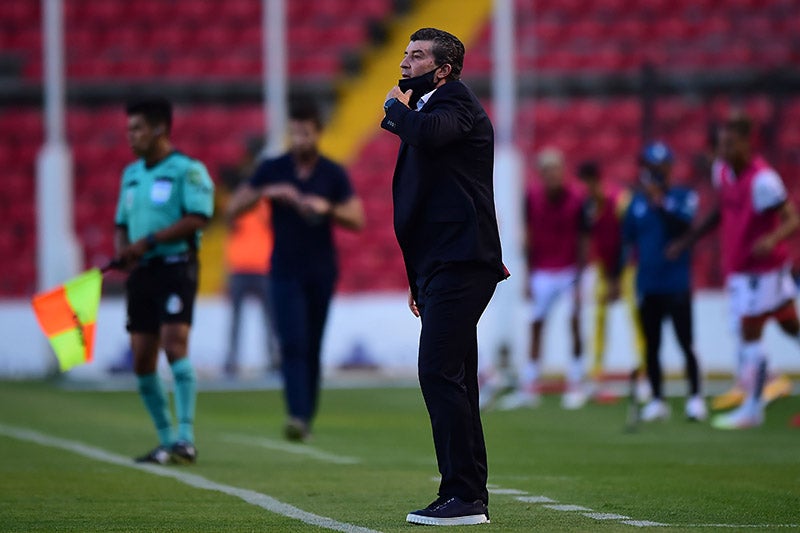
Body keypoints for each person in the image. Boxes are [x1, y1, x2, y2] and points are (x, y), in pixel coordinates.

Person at [382, 27, 507, 526]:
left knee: (437, 371)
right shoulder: (431, 106)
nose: (405, 63)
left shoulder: (455, 103)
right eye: (405, 53)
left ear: (444, 69)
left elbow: (429, 135)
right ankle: (467, 494)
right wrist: (418, 277)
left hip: (463, 262)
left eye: (417, 56)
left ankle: (463, 494)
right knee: (455, 378)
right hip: (440, 266)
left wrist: (395, 109)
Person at [227, 100, 364, 441]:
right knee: (292, 341)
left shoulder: (332, 172)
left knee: (313, 344)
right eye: (294, 133)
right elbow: (234, 205)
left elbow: (358, 218)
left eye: (305, 133)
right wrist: (267, 191)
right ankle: (297, 416)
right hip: (283, 269)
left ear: (317, 133)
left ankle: (305, 415)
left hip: (321, 269)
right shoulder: (273, 168)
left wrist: (327, 207)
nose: (299, 139)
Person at [668, 115, 800, 429]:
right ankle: (761, 392)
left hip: (762, 272)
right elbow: (721, 209)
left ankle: (753, 408)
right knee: (789, 328)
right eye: (721, 144)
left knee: (748, 336)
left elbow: (792, 219)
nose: (723, 150)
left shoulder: (764, 181)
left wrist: (772, 238)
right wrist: (690, 239)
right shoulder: (723, 171)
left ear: (746, 142)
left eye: (729, 143)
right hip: (743, 269)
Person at [114, 97, 214, 464]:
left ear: (159, 129)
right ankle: (165, 439)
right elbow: (121, 224)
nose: (131, 137)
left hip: (176, 266)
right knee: (142, 359)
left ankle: (185, 438)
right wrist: (124, 251)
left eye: (137, 129)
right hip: (142, 273)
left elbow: (199, 217)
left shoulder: (187, 171)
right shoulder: (131, 174)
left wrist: (150, 242)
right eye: (128, 130)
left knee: (174, 345)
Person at [620, 142, 706, 422]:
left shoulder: (682, 196)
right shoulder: (636, 202)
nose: (654, 172)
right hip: (648, 283)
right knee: (652, 345)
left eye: (659, 167)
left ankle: (695, 397)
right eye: (650, 167)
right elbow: (627, 238)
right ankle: (658, 399)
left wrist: (661, 202)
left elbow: (686, 228)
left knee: (685, 342)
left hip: (676, 282)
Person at [500, 148, 588, 411]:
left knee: (574, 322)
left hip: (570, 269)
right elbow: (528, 236)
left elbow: (584, 238)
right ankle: (530, 385)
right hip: (543, 270)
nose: (553, 176)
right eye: (547, 171)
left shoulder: (577, 199)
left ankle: (576, 382)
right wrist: (528, 274)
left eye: (556, 170)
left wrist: (581, 274)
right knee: (536, 324)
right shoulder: (532, 197)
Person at [577, 161, 647, 399]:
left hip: (626, 266)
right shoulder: (588, 206)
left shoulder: (620, 200)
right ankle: (596, 371)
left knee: (635, 315)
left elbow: (627, 240)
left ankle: (644, 370)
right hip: (603, 267)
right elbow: (594, 238)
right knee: (598, 316)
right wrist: (606, 273)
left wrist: (617, 278)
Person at [221, 141, 280, 377]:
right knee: (237, 320)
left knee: (269, 320)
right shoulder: (238, 203)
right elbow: (228, 220)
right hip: (240, 266)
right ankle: (232, 361)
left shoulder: (266, 203)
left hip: (264, 266)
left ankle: (273, 360)